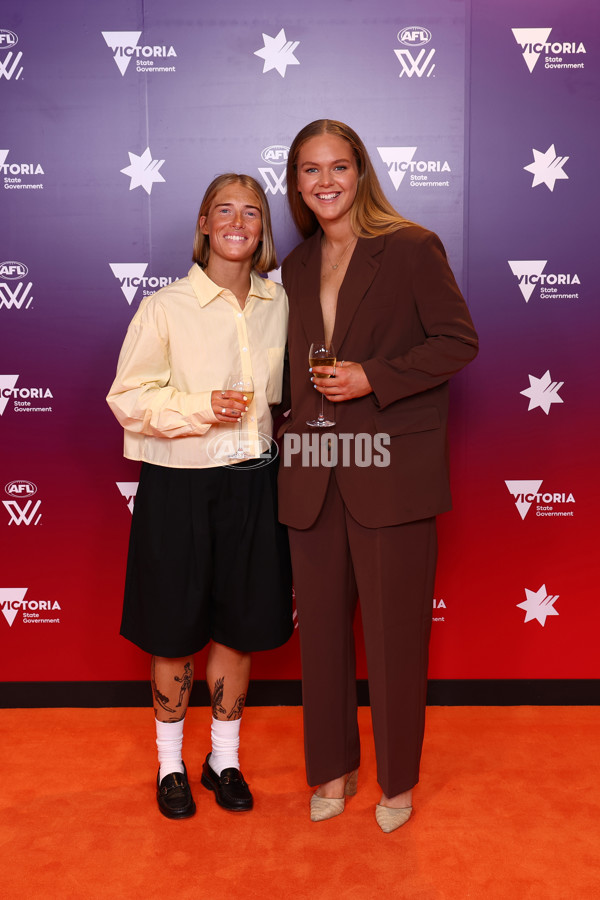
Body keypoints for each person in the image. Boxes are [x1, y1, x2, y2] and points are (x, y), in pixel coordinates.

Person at [278, 120, 478, 832]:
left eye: (338, 166)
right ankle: (332, 769)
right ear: (296, 183)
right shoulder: (295, 265)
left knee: (394, 638)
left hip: (390, 469)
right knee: (322, 636)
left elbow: (458, 341)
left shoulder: (412, 247)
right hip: (313, 470)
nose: (325, 181)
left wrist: (374, 377)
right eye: (310, 170)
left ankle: (397, 783)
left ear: (360, 172)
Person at [107, 173, 293, 820]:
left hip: (252, 481)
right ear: (205, 225)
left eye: (252, 212)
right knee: (172, 633)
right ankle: (169, 766)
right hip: (178, 483)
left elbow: (283, 399)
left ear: (263, 229)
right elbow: (127, 398)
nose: (238, 223)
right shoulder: (166, 307)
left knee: (239, 630)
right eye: (225, 211)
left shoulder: (279, 302)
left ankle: (224, 758)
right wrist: (200, 407)